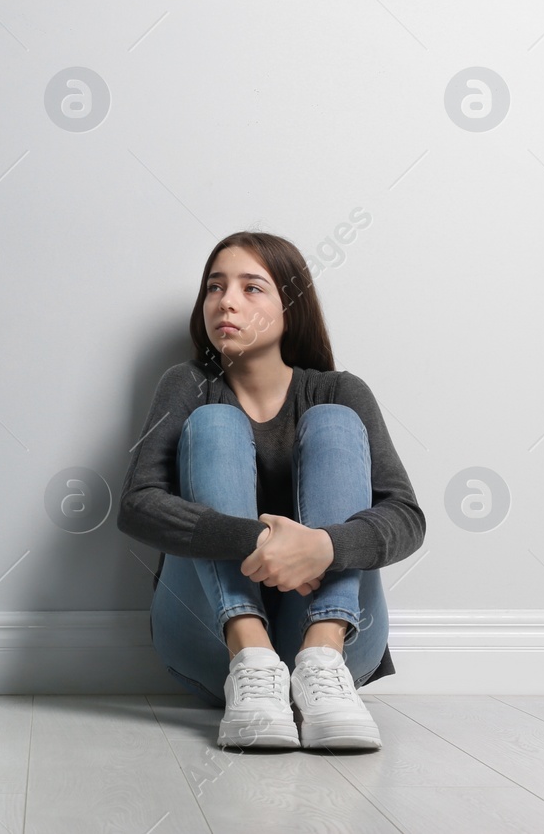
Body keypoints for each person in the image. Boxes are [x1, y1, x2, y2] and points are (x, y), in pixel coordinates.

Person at [116, 231, 426, 750]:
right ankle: (251, 658)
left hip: (342, 642)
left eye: (251, 288)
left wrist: (321, 547)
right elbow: (137, 506)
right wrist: (257, 543)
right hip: (212, 645)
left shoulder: (340, 390)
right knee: (216, 423)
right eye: (214, 287)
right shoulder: (188, 385)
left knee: (334, 421)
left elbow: (407, 518)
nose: (226, 301)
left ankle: (324, 663)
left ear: (291, 307)